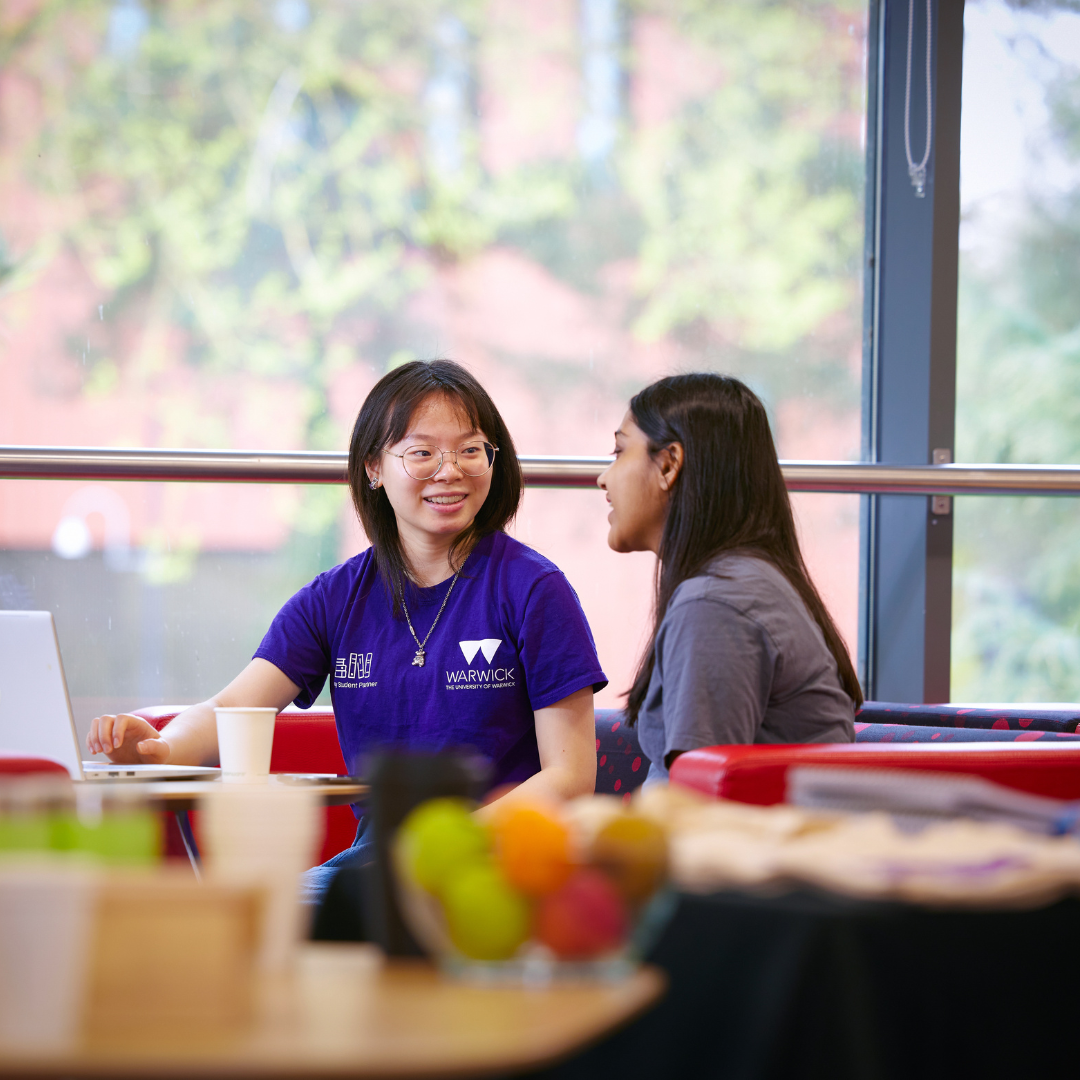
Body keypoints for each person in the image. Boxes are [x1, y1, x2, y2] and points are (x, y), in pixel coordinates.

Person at [88, 359, 606, 889]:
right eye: (422, 452)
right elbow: (231, 709)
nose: (450, 470)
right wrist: (156, 750)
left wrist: (443, 848)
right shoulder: (334, 598)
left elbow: (568, 777)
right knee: (252, 927)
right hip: (375, 868)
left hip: (499, 865)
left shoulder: (534, 589)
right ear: (374, 468)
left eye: (471, 450)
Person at [597, 373, 860, 786]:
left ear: (668, 464)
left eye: (618, 451)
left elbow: (699, 808)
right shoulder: (737, 583)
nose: (603, 478)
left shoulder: (715, 604)